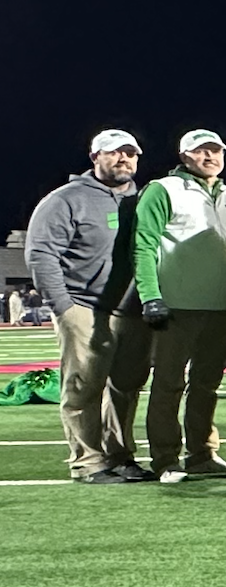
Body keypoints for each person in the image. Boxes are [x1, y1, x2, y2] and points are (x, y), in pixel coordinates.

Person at [26, 129, 152, 483]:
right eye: (113, 152)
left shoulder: (144, 199)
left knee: (127, 388)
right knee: (83, 387)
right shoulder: (65, 199)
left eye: (130, 153)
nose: (123, 159)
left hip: (133, 310)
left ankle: (121, 456)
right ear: (95, 157)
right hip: (84, 306)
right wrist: (63, 307)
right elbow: (41, 253)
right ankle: (88, 463)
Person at [129, 129, 226, 482]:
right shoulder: (163, 190)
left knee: (207, 385)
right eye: (201, 151)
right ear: (184, 156)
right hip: (176, 306)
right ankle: (165, 459)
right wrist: (151, 296)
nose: (210, 156)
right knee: (168, 384)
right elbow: (144, 246)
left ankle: (202, 454)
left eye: (216, 150)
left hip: (222, 306)